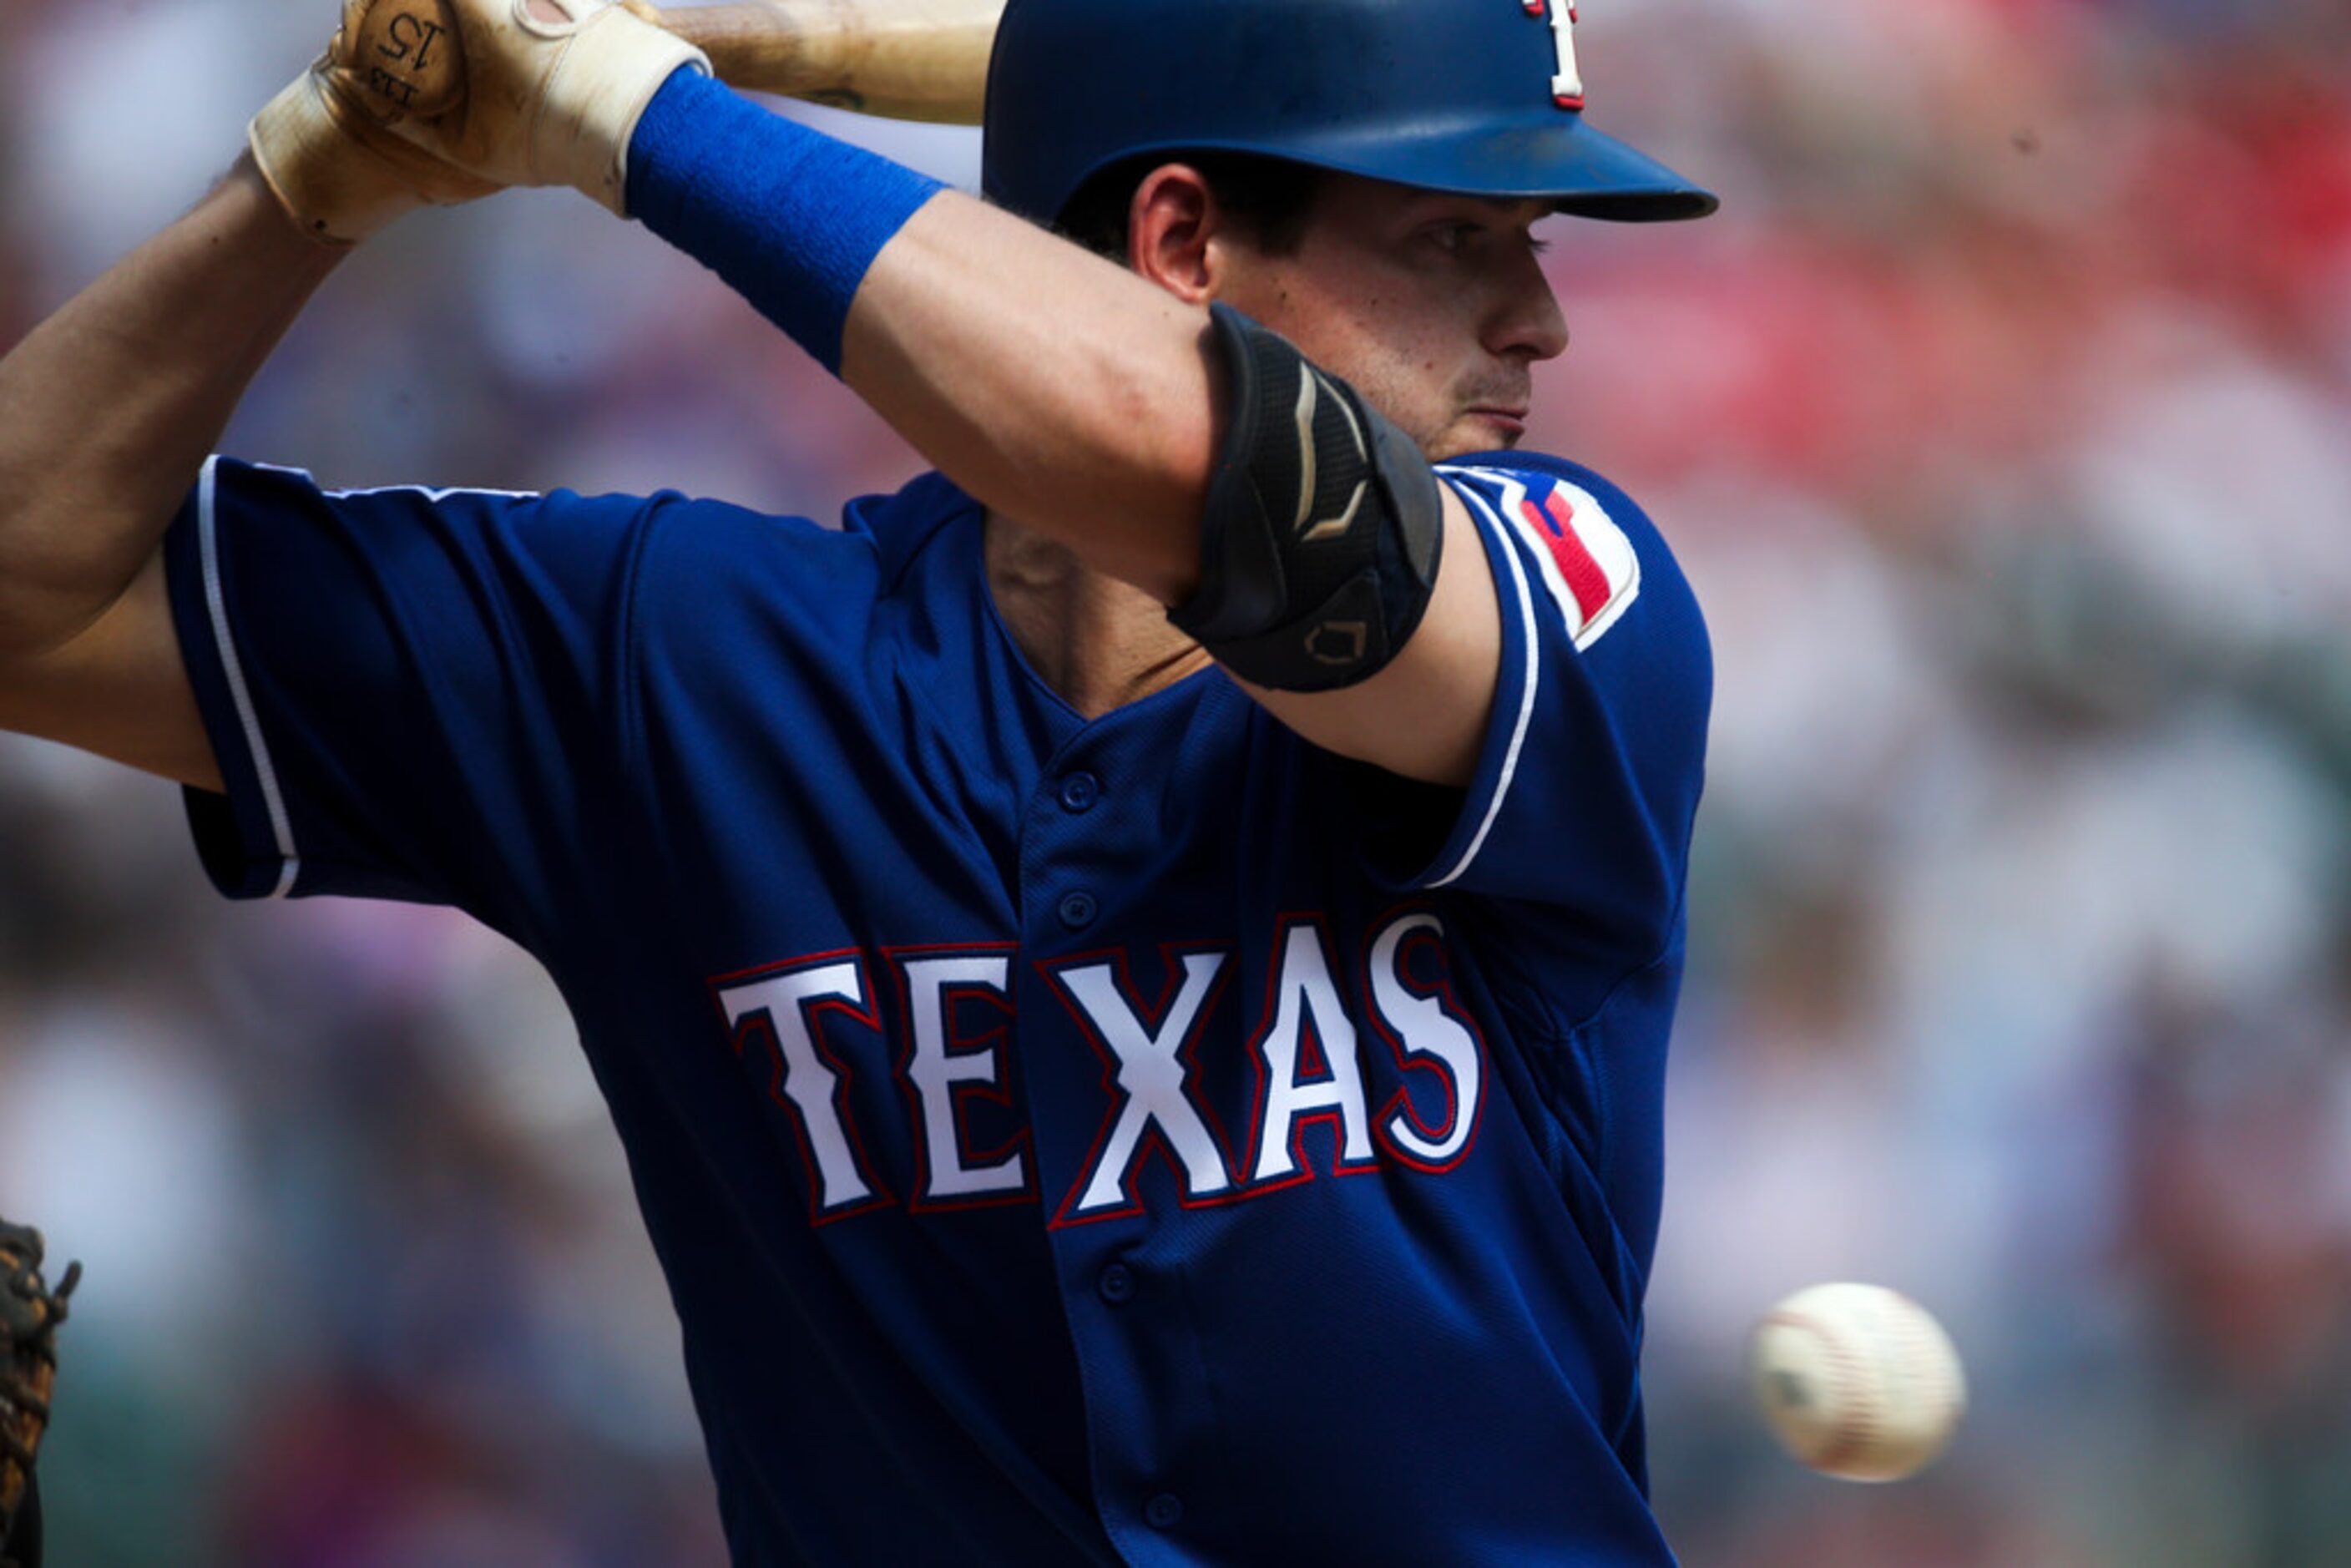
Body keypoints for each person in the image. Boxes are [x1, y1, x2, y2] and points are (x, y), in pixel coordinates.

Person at [0, 0, 1716, 1559]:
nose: (1541, 317)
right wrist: (313, 175)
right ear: (1181, 238)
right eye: (1456, 237)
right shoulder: (677, 657)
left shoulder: (1574, 590)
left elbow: (1241, 491)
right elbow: (29, 594)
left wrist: (633, 119)